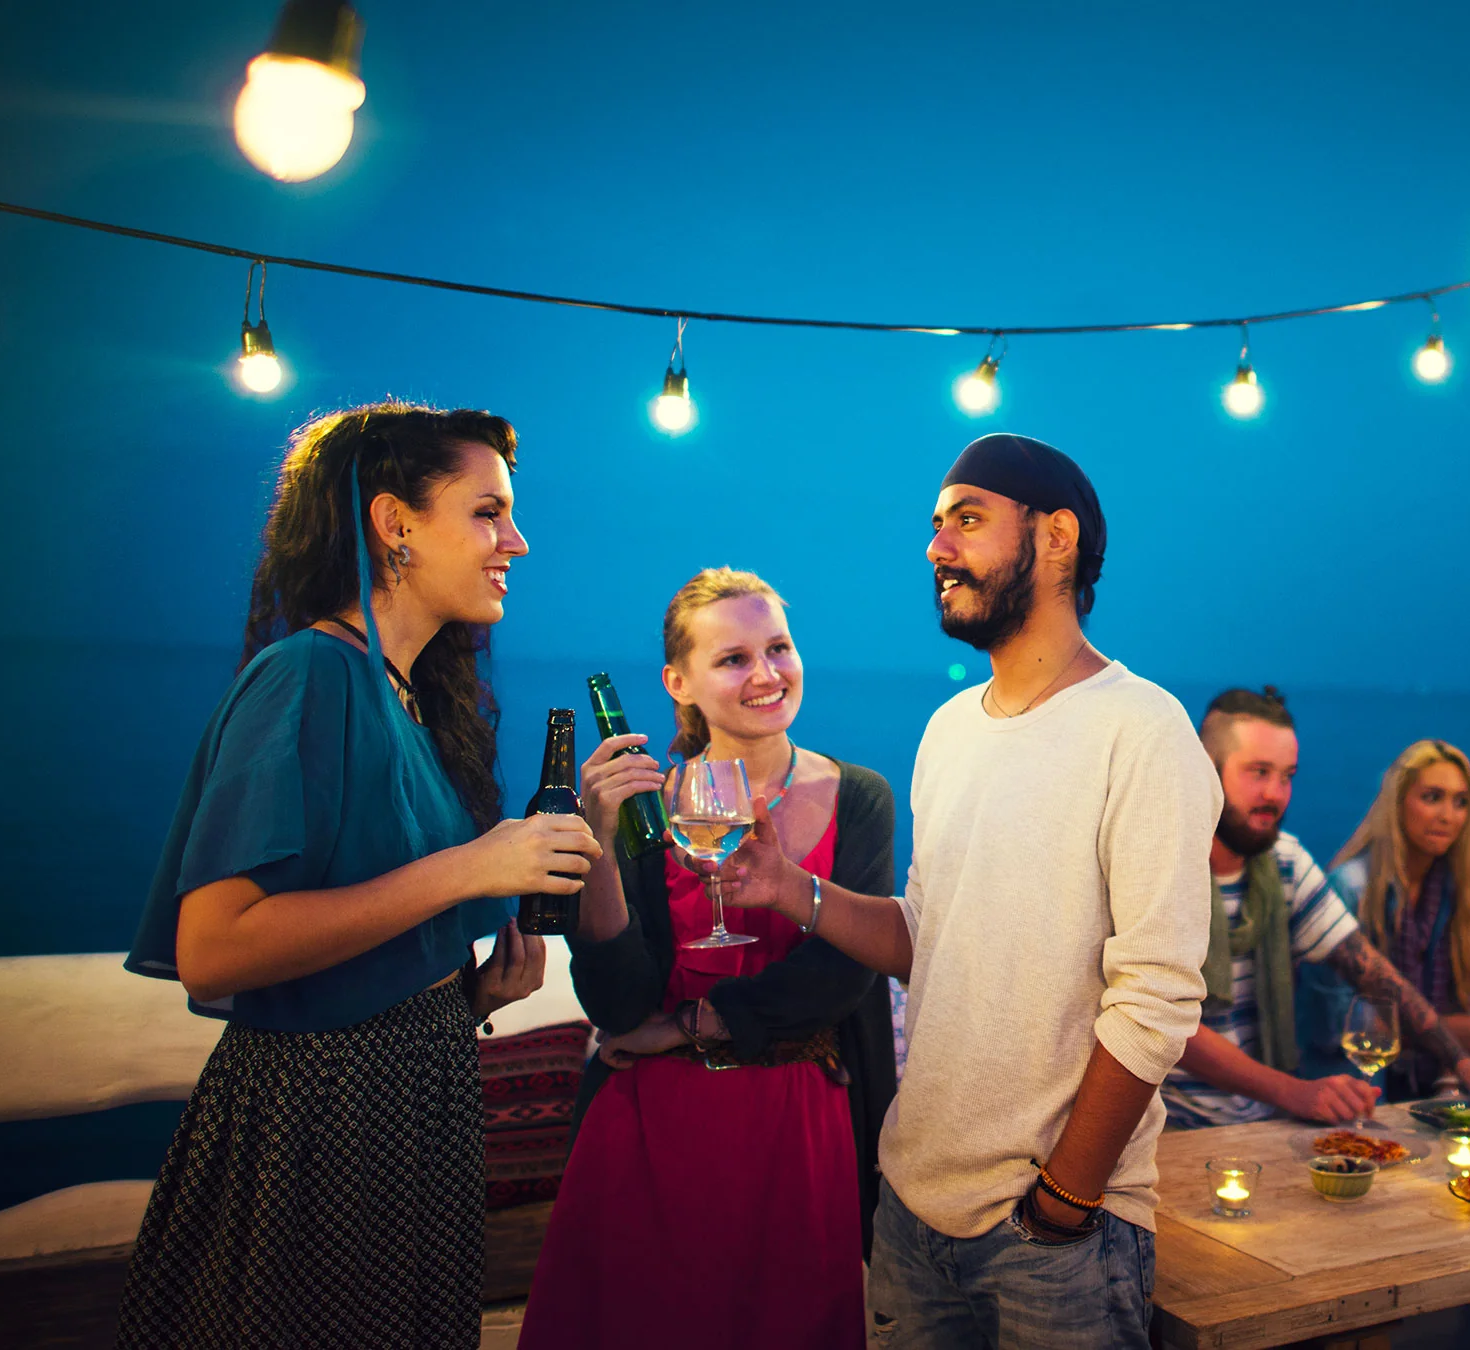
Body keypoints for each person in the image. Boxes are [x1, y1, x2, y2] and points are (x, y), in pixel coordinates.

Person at [715, 433, 1217, 1348]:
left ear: (1056, 536)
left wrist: (1065, 1199)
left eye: (968, 521)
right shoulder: (948, 729)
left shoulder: (1143, 732)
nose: (937, 548)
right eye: (936, 526)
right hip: (911, 1206)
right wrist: (793, 889)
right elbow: (925, 936)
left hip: (1057, 1237)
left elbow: (1157, 998)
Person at [116, 404, 574, 1348]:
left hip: (411, 1122)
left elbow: (365, 947)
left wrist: (467, 992)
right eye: (488, 513)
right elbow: (213, 949)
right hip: (316, 1136)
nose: (516, 543)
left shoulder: (406, 697)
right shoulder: (307, 678)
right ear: (394, 522)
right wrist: (467, 869)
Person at [520, 569, 896, 1349]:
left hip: (799, 1131)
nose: (765, 674)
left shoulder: (861, 796)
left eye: (779, 648)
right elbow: (621, 1006)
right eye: (733, 659)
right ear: (677, 683)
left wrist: (692, 1022)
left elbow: (841, 976)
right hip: (649, 1132)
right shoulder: (647, 811)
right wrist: (596, 841)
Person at [1162, 694, 1470, 1129]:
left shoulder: (1282, 863)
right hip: (1171, 1124)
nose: (1275, 794)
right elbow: (1169, 1024)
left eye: (1287, 776)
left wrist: (1465, 1066)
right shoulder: (1160, 865)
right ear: (1205, 771)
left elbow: (1372, 971)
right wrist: (1296, 1092)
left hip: (1261, 1121)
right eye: (1258, 773)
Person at [1324, 738, 1470, 1099]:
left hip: (1426, 1090)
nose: (1448, 816)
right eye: (1432, 797)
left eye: (1460, 802)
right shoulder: (1352, 887)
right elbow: (1330, 1025)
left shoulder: (1450, 892)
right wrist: (1442, 1034)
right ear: (1398, 803)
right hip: (1353, 1089)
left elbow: (1460, 998)